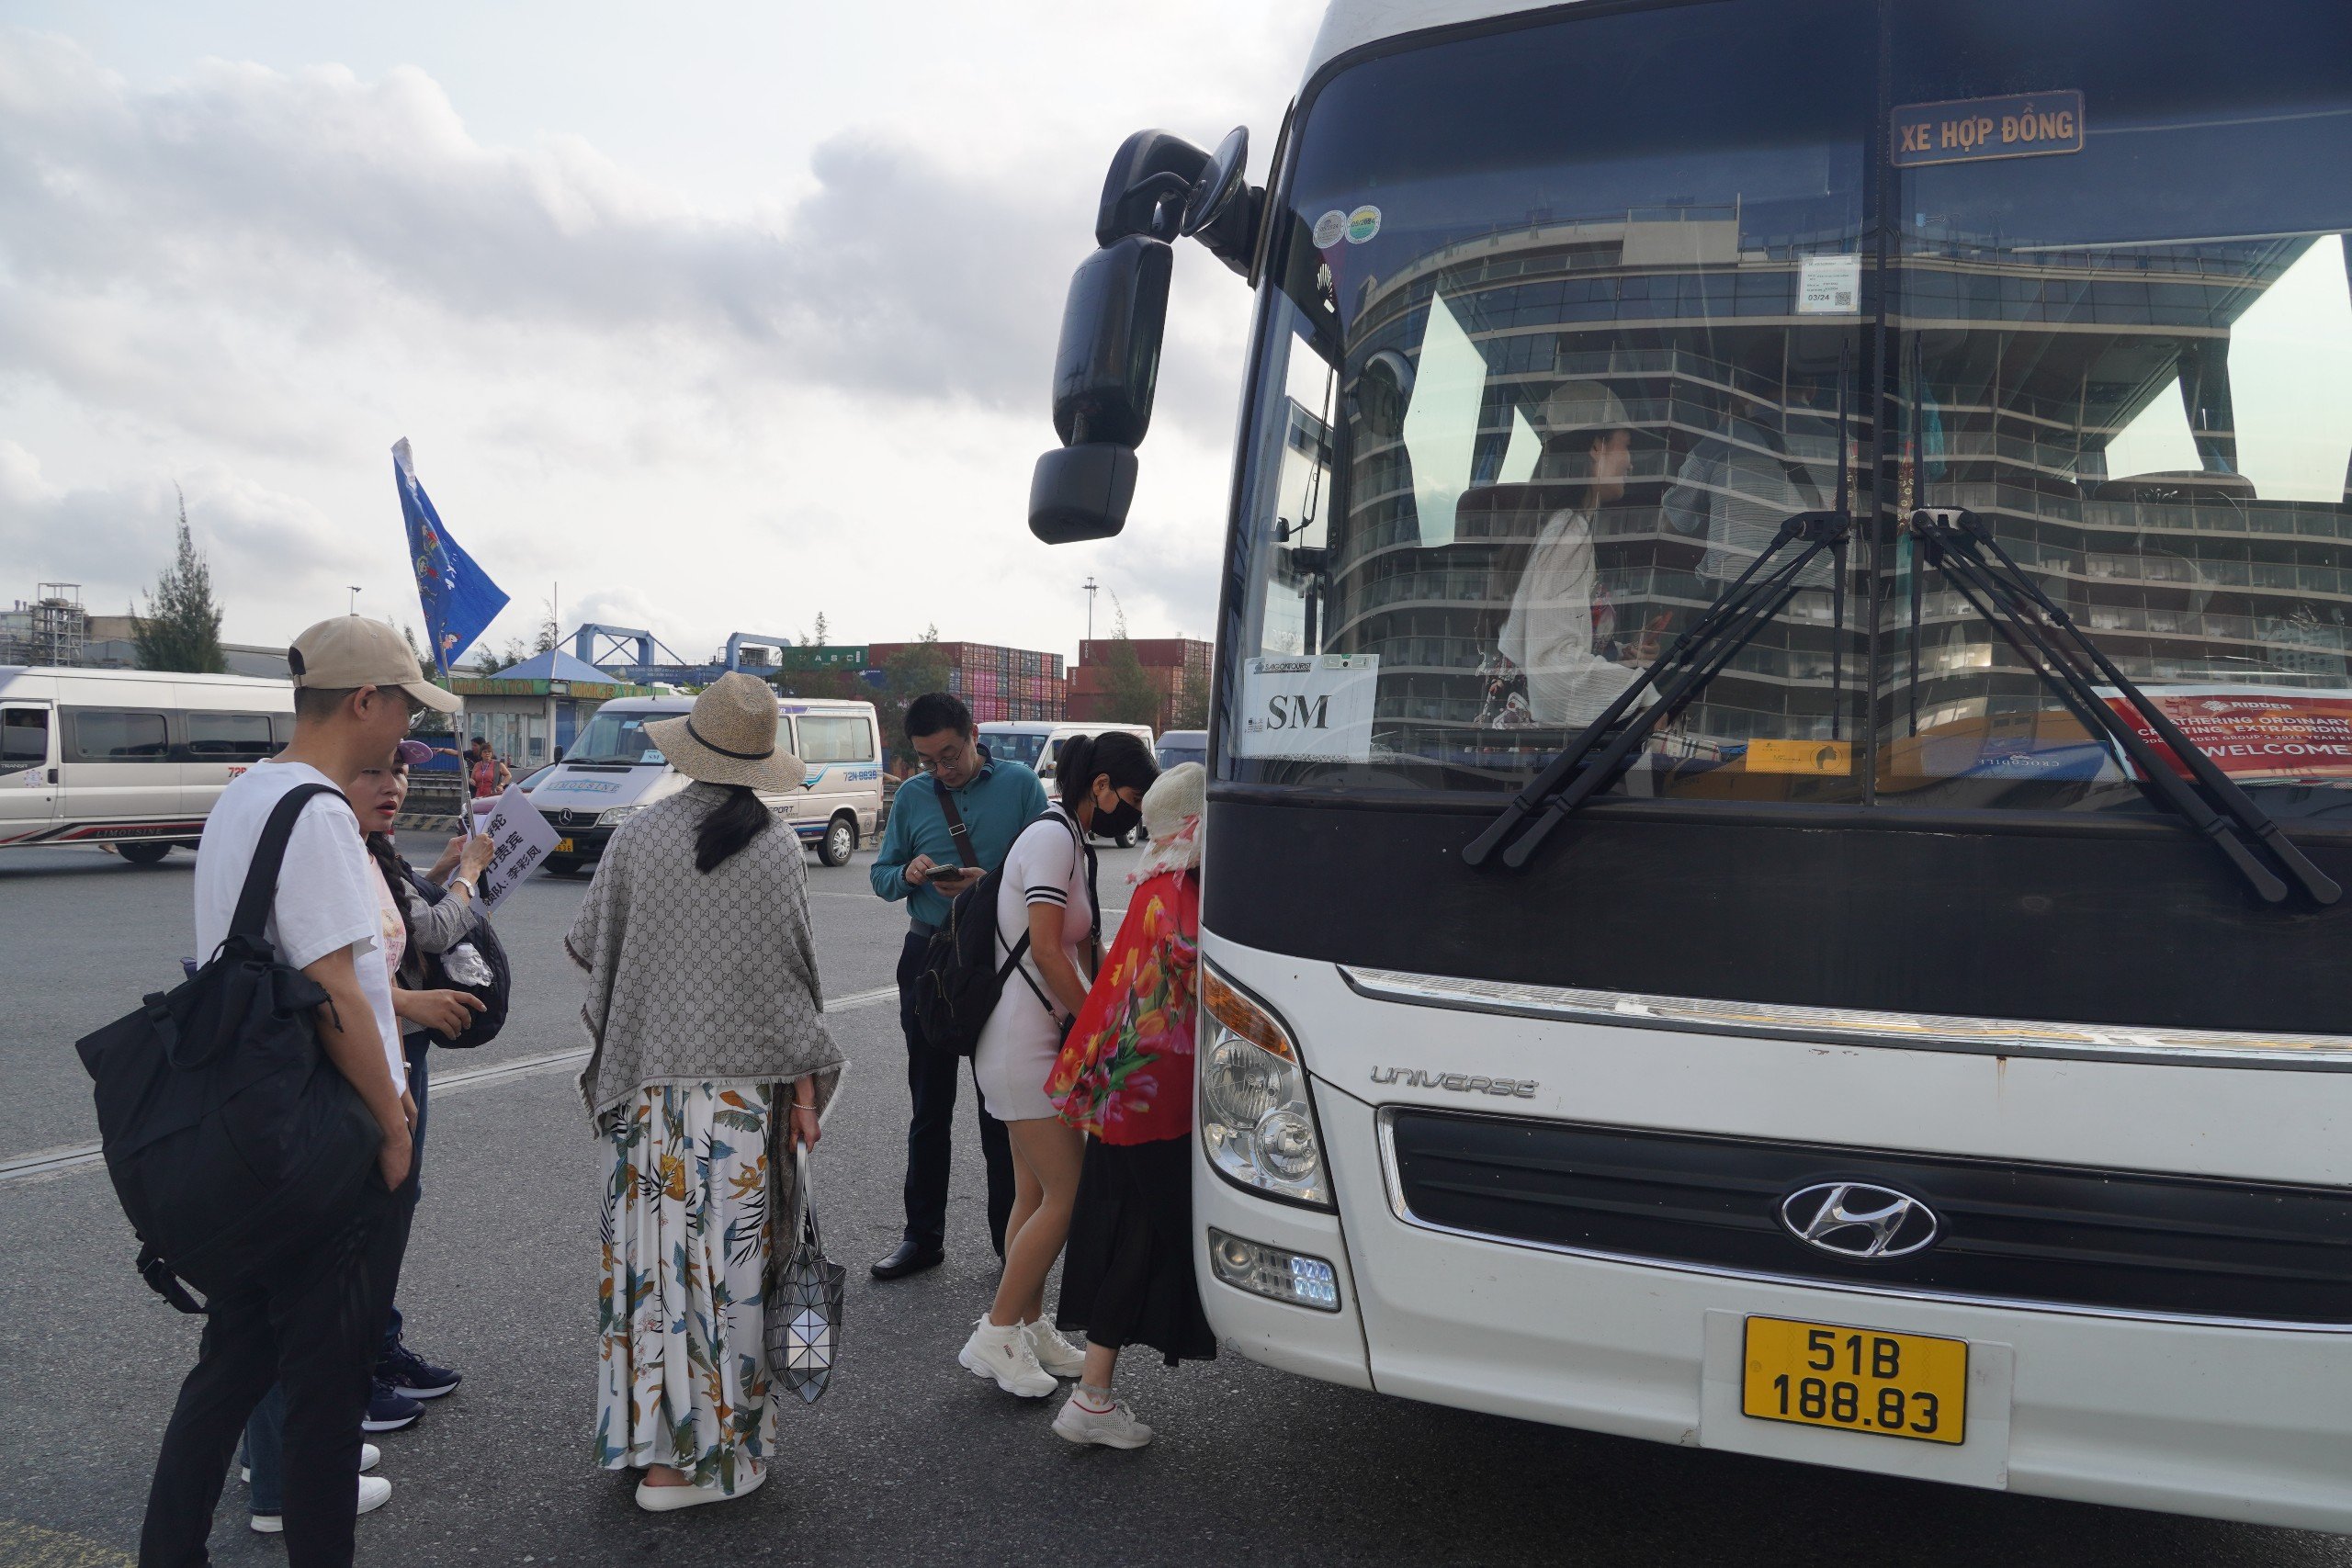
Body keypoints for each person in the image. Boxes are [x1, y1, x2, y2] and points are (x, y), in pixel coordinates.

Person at [140, 614, 461, 1567]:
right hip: (325, 1130)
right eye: (404, 707)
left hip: (251, 1124)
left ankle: (170, 1551)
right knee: (328, 1385)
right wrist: (393, 1122)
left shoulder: (246, 794)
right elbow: (334, 988)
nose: (406, 729)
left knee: (232, 1361)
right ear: (364, 701)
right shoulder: (318, 812)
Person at [567, 672, 845, 1513]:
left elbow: (591, 949)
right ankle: (707, 1461)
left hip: (646, 1102)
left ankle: (648, 1443)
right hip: (738, 1110)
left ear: (690, 749)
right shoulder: (775, 847)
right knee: (728, 1276)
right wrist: (805, 1099)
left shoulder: (637, 834)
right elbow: (793, 987)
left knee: (652, 1273)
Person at [239, 741, 492, 1533]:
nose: (393, 786)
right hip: (334, 1081)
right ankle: (288, 1482)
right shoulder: (323, 842)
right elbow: (334, 980)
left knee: (305, 1284)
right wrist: (392, 1111)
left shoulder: (347, 844)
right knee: (316, 1281)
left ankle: (293, 1452)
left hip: (342, 1075)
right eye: (374, 771)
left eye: (399, 772)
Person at [957, 732, 1157, 1398]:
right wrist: (1099, 1028)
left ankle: (1028, 1326)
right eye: (1130, 798)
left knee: (1036, 1194)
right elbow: (1046, 950)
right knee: (1068, 1196)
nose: (1132, 813)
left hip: (1038, 1041)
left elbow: (1080, 947)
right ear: (1099, 786)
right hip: (1021, 1043)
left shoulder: (1072, 838)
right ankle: (995, 1333)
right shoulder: (1050, 838)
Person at [1043, 761, 1214, 1448]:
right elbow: (1208, 983)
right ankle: (1090, 1398)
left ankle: (1093, 1390)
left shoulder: (1153, 884)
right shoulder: (1187, 895)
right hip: (1153, 1092)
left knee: (1122, 1228)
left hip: (1118, 1081)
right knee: (1142, 1234)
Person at [866, 692, 1046, 1280]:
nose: (941, 770)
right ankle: (922, 1238)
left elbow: (1050, 870)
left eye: (949, 755)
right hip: (927, 956)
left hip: (996, 959)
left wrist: (986, 883)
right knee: (928, 1105)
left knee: (1000, 1108)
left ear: (973, 736)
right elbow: (881, 877)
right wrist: (909, 872)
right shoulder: (913, 797)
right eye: (927, 761)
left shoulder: (1020, 785)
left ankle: (1010, 1242)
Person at [1495, 381, 1659, 728]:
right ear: (1598, 447)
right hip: (1540, 752)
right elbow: (1552, 668)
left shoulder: (1554, 526)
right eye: (1626, 446)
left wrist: (1619, 656)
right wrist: (1644, 696)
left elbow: (1547, 643)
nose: (1630, 463)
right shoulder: (1568, 535)